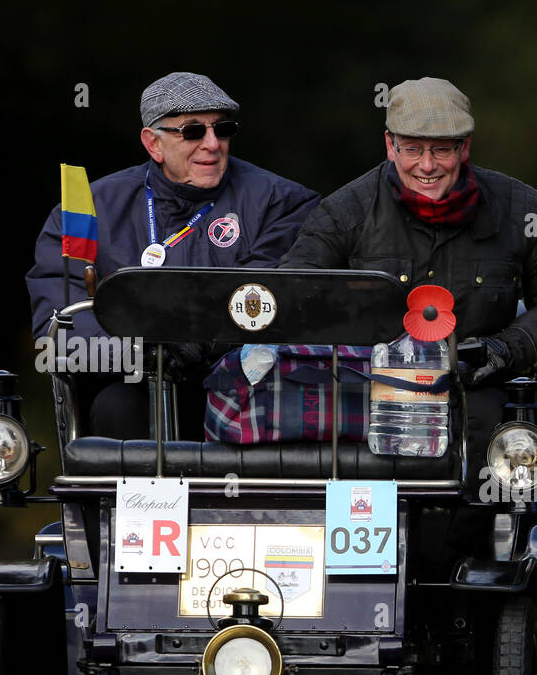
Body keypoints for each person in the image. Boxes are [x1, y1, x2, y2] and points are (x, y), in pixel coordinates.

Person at [280, 76, 537, 500]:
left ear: (464, 148)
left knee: (507, 477)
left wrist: (505, 348)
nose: (426, 166)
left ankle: (479, 557)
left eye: (441, 149)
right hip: (365, 399)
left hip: (478, 393)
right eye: (412, 149)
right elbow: (290, 297)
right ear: (389, 146)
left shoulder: (522, 209)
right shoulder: (343, 212)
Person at [26, 71, 319, 438]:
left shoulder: (282, 201)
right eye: (193, 131)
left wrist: (203, 339)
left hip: (245, 386)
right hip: (134, 389)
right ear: (153, 143)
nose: (212, 144)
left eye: (223, 129)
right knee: (116, 406)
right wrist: (146, 353)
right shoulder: (87, 209)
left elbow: (267, 296)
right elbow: (58, 331)